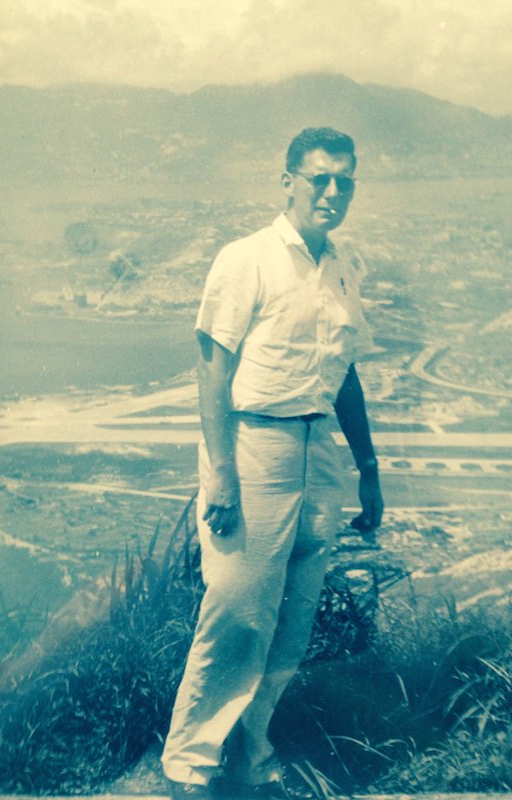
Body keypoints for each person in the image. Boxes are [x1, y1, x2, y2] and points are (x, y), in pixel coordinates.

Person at [161, 127, 384, 799]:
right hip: (256, 447)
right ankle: (188, 767)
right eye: (319, 178)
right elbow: (211, 370)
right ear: (288, 181)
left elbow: (344, 375)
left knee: (294, 618)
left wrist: (368, 467)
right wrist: (221, 473)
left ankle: (250, 752)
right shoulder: (246, 259)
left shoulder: (342, 268)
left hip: (321, 456)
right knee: (235, 611)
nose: (332, 191)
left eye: (344, 180)